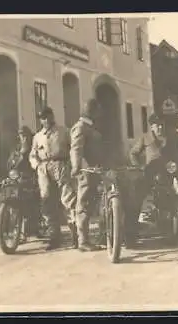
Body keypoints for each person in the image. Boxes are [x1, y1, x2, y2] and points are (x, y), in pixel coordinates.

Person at [128, 113, 178, 246]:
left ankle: (171, 230)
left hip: (168, 173)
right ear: (151, 127)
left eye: (162, 125)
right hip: (149, 174)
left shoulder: (174, 136)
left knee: (169, 200)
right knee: (136, 201)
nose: (160, 128)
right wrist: (139, 167)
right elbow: (133, 153)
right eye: (157, 125)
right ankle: (130, 235)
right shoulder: (145, 138)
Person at [29, 107, 78, 251]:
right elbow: (32, 155)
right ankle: (54, 236)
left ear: (52, 116)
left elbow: (73, 148)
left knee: (67, 199)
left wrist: (72, 164)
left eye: (46, 117)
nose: (44, 120)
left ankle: (76, 234)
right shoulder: (38, 136)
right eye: (42, 118)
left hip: (60, 165)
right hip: (43, 168)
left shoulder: (63, 131)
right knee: (47, 201)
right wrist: (37, 165)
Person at [70, 98, 104, 252]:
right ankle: (82, 241)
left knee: (91, 203)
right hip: (87, 171)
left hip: (94, 170)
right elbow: (76, 148)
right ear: (91, 111)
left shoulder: (89, 127)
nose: (99, 113)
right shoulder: (81, 127)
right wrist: (78, 167)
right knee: (83, 205)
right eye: (97, 110)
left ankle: (90, 237)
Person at [7, 126, 43, 239]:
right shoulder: (17, 149)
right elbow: (10, 163)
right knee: (15, 203)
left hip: (32, 177)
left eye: (26, 135)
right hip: (19, 178)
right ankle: (16, 231)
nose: (24, 138)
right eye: (22, 136)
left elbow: (38, 161)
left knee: (36, 200)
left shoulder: (34, 147)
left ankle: (36, 227)